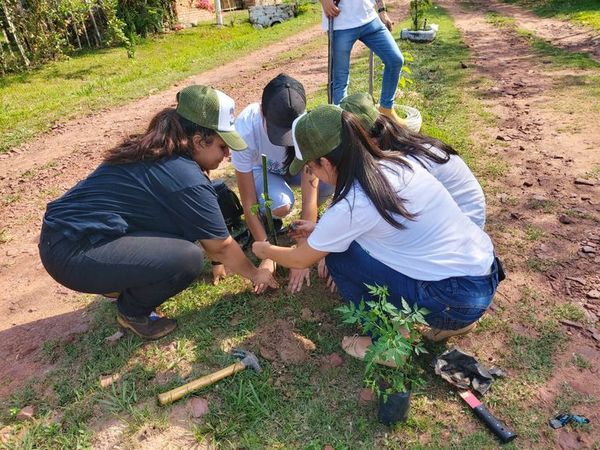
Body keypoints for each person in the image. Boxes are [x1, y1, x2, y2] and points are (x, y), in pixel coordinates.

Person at [252, 105, 503, 362]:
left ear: (326, 162)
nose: (313, 174)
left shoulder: (353, 203)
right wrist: (321, 231)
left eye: (312, 168)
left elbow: (300, 259)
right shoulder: (395, 162)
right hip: (482, 277)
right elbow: (380, 229)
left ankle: (389, 344)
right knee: (346, 246)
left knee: (340, 258)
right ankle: (454, 322)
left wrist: (264, 250)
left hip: (456, 298)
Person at [39, 85, 278, 340]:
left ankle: (119, 282)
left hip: (68, 236)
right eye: (222, 146)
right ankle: (131, 311)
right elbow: (219, 246)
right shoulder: (184, 176)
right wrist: (255, 273)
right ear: (198, 141)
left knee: (188, 228)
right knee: (187, 257)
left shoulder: (159, 149)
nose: (227, 154)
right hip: (71, 252)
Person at [233, 73, 333, 293]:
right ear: (262, 112)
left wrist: (302, 252)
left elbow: (309, 197)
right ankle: (266, 225)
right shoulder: (245, 130)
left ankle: (308, 228)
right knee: (280, 205)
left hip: (292, 170)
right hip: (264, 171)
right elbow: (248, 201)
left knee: (328, 182)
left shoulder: (307, 128)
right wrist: (267, 254)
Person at [340, 92, 486, 228]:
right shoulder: (404, 143)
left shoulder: (404, 164)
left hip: (462, 227)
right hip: (457, 219)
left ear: (372, 141)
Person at [320, 0, 404, 122]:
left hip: (369, 19)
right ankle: (344, 122)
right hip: (341, 23)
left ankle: (386, 109)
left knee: (395, 60)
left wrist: (382, 11)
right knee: (340, 80)